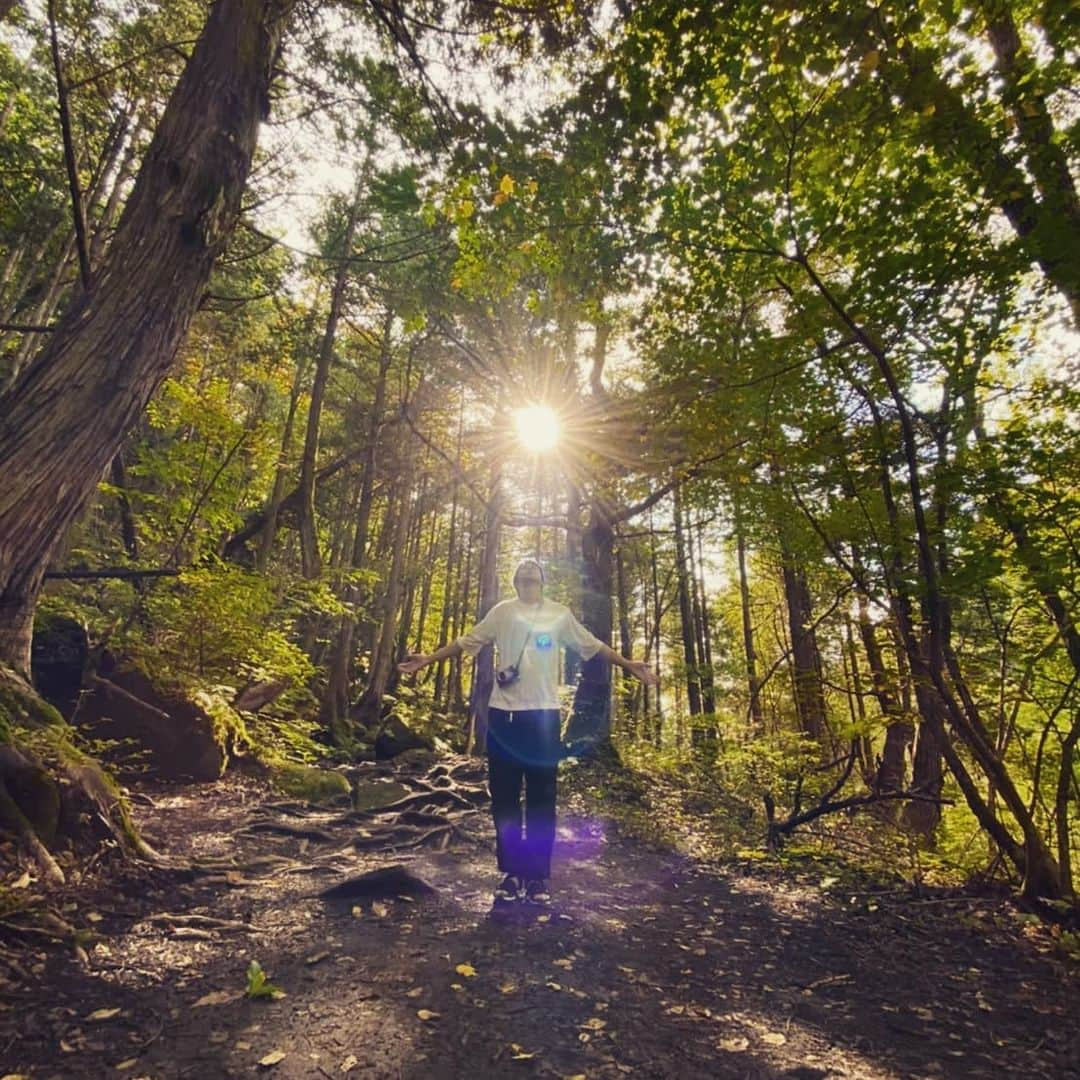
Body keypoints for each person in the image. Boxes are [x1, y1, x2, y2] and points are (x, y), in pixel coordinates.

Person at [397, 558, 658, 906]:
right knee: (504, 799)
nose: (529, 581)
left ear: (542, 583)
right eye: (523, 577)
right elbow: (467, 641)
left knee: (541, 801)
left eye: (534, 578)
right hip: (503, 717)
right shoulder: (503, 613)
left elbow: (591, 645)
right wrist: (428, 659)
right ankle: (511, 873)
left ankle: (537, 878)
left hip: (544, 719)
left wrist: (629, 664)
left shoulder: (559, 614)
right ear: (516, 582)